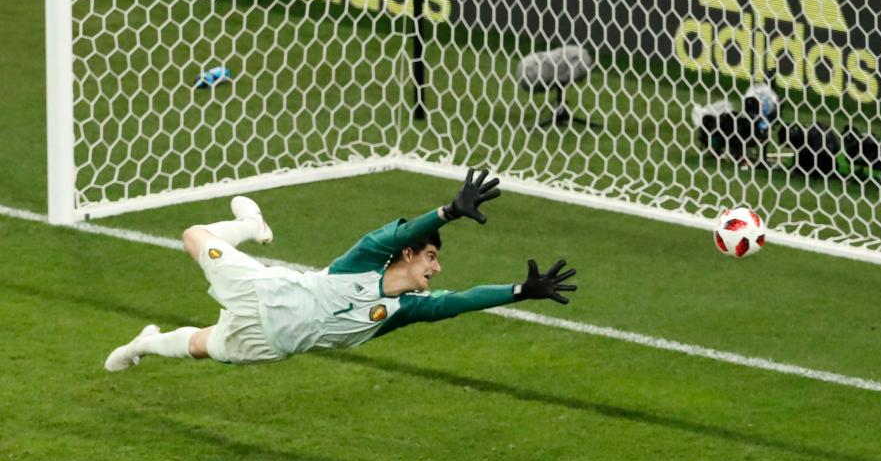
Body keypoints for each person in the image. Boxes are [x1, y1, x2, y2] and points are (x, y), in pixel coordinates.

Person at [104, 168, 577, 371]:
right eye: (431, 256)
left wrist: (520, 290)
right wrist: (447, 214)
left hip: (269, 344)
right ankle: (249, 225)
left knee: (197, 345)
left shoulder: (403, 309)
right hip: (262, 293)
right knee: (192, 235)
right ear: (410, 254)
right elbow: (395, 235)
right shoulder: (366, 258)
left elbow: (459, 302)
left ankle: (141, 343)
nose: (437, 266)